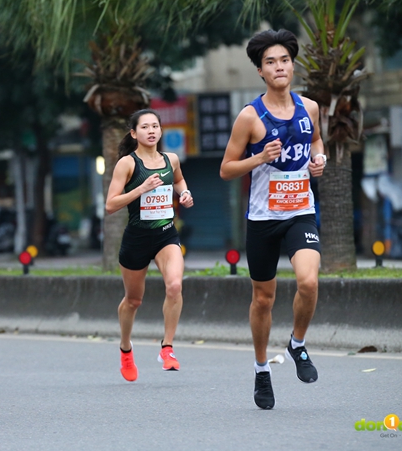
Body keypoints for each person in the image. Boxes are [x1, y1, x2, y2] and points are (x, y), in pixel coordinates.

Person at [219, 29, 326, 410]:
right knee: (263, 299)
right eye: (270, 62)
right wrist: (259, 158)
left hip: (301, 211)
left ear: (292, 65)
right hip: (263, 218)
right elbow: (227, 169)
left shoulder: (309, 108)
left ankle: (297, 344)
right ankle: (262, 369)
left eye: (284, 60)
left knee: (308, 281)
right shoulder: (250, 117)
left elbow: (315, 143)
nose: (279, 67)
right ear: (261, 72)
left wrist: (320, 161)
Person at [105, 109, 194, 382]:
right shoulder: (127, 164)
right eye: (145, 127)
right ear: (134, 133)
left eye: (156, 126)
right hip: (137, 238)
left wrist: (185, 192)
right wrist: (140, 189)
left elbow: (177, 180)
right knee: (133, 300)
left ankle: (167, 347)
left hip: (166, 234)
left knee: (175, 285)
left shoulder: (171, 159)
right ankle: (125, 348)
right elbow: (110, 205)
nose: (152, 131)